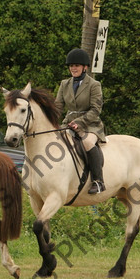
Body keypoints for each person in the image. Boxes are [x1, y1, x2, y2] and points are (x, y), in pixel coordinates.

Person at [55, 48, 106, 194]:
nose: (73, 68)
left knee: (87, 143)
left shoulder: (94, 85)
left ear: (85, 67)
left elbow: (96, 109)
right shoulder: (64, 84)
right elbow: (58, 106)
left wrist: (80, 122)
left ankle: (98, 181)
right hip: (68, 123)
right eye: (71, 66)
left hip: (90, 125)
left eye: (76, 65)